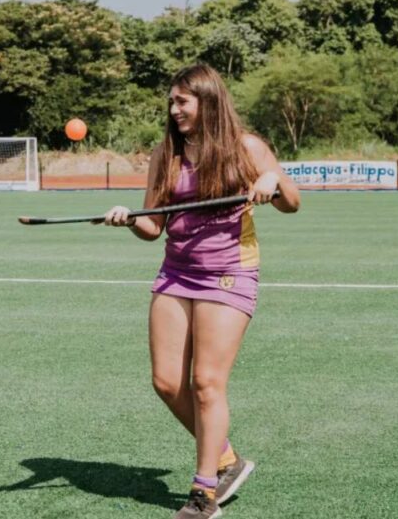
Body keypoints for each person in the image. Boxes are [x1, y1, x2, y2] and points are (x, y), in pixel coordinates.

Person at [99, 63, 300, 519]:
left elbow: (292, 203)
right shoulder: (165, 155)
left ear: (208, 101)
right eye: (171, 102)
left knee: (206, 384)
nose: (174, 110)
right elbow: (154, 226)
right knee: (168, 383)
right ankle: (227, 458)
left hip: (229, 272)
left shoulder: (246, 147)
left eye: (182, 101)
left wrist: (273, 181)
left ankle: (203, 493)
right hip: (176, 272)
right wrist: (128, 218)